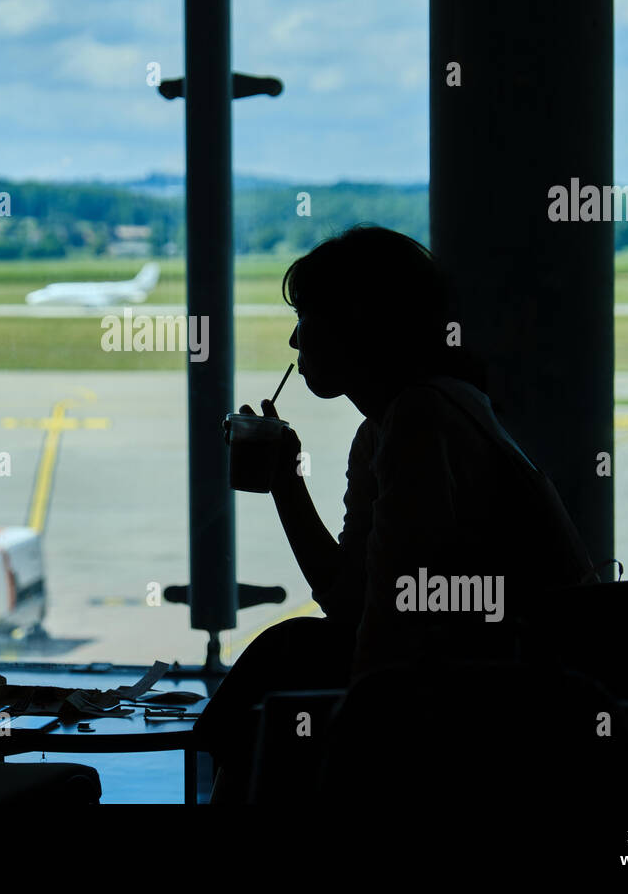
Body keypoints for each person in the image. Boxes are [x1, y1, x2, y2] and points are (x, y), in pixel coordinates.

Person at [193, 225, 601, 802]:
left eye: (306, 316)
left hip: (516, 701)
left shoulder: (420, 420)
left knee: (284, 664)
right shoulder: (396, 424)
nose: (293, 340)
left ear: (357, 322)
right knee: (289, 654)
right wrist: (286, 481)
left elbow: (389, 627)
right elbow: (352, 601)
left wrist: (350, 747)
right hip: (511, 681)